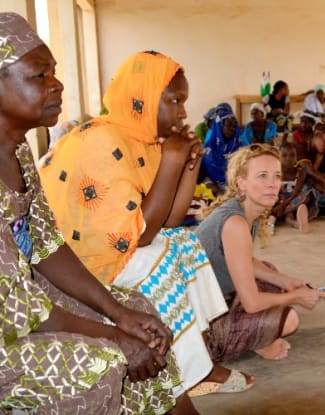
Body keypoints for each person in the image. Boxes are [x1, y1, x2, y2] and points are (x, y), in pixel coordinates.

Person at [0, 13, 196, 413]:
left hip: (24, 306)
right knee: (103, 360)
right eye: (39, 75)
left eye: (54, 72)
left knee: (138, 312)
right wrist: (113, 335)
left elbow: (46, 247)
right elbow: (24, 312)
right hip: (11, 323)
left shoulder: (17, 152)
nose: (57, 84)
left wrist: (119, 314)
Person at [39, 51, 254, 398]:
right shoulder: (102, 139)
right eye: (174, 100)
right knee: (160, 262)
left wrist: (186, 166)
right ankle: (186, 375)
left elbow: (169, 220)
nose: (183, 111)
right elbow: (139, 237)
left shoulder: (144, 141)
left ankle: (200, 359)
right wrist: (172, 158)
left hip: (120, 244)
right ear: (141, 99)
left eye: (183, 101)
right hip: (82, 262)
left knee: (185, 243)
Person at [196, 143, 325, 362]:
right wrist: (297, 296)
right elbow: (252, 303)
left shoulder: (246, 210)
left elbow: (244, 259)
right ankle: (257, 341)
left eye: (277, 176)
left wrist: (285, 281)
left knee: (271, 273)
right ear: (242, 183)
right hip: (201, 328)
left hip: (218, 299)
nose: (272, 184)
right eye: (262, 176)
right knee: (289, 319)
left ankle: (257, 332)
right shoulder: (235, 222)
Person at [269, 142, 317, 233]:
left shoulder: (300, 172)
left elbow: (296, 192)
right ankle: (291, 223)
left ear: (296, 157)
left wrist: (283, 206)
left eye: (292, 155)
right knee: (270, 201)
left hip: (292, 201)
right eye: (284, 155)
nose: (289, 159)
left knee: (306, 196)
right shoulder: (275, 172)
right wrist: (279, 204)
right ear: (278, 158)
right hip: (278, 200)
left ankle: (275, 219)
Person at [202, 105, 246, 195]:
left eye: (234, 126)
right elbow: (204, 175)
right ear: (219, 126)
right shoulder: (209, 148)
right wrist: (218, 191)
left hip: (236, 189)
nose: (232, 129)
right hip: (212, 189)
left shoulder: (239, 147)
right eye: (229, 125)